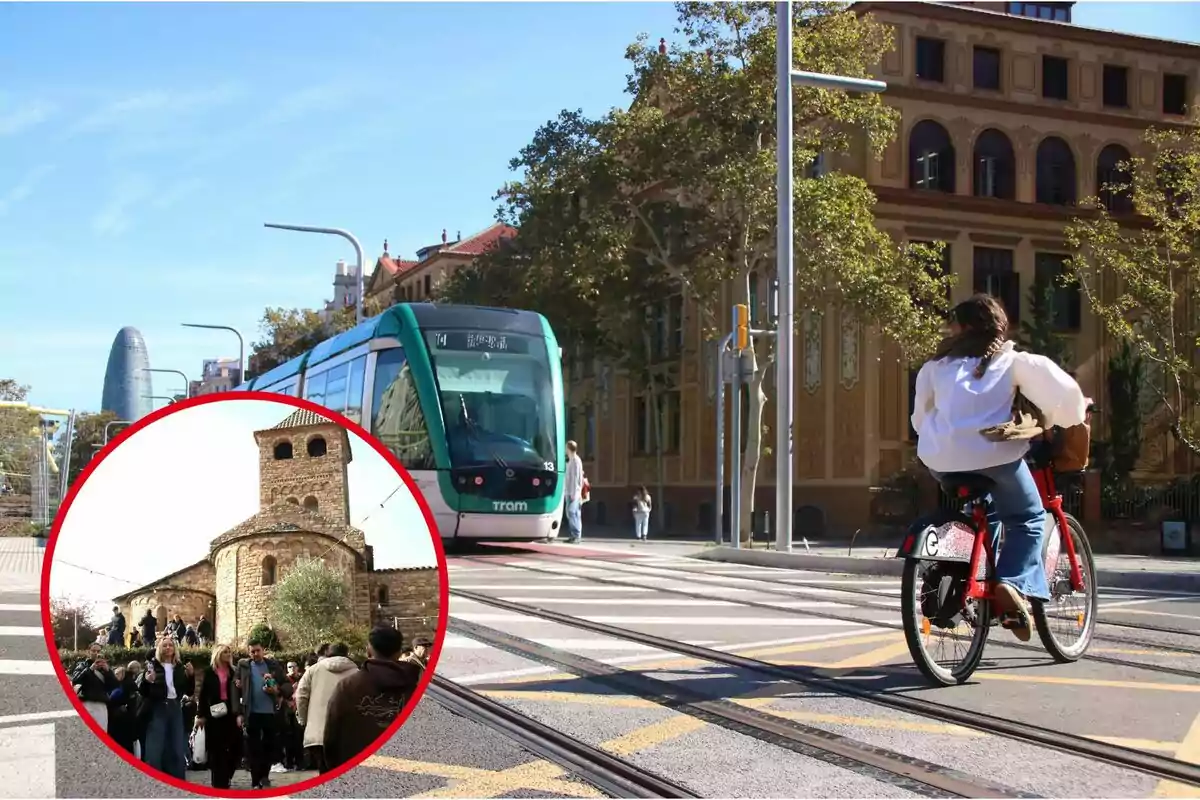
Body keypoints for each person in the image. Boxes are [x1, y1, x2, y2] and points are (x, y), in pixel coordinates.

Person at [911, 294, 1087, 641]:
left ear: (960, 328)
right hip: (998, 459)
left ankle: (975, 574)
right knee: (1028, 518)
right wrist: (1077, 412)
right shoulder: (1015, 362)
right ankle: (1011, 584)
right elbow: (1065, 397)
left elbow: (919, 420)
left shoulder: (935, 367)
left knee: (984, 511)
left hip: (940, 462)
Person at [322, 626, 421, 771]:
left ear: (368, 649)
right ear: (399, 651)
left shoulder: (348, 687)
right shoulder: (417, 687)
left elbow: (332, 734)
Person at [237, 639, 292, 790]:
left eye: (258, 650)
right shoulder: (243, 666)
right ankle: (255, 780)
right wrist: (239, 711)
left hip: (270, 713)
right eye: (252, 651)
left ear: (263, 650)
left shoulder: (273, 666)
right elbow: (235, 687)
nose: (255, 654)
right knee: (254, 748)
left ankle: (265, 776)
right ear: (249, 652)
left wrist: (277, 691)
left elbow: (287, 685)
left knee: (269, 746)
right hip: (252, 713)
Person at [295, 642, 357, 774]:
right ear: (347, 654)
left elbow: (301, 696)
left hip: (318, 732)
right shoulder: (356, 672)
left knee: (324, 772)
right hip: (347, 733)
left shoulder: (313, 670)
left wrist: (304, 720)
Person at [138, 637, 194, 779]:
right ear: (159, 649)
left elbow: (189, 692)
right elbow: (143, 692)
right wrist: (147, 681)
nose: (168, 648)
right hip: (158, 707)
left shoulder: (180, 667)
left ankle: (176, 780)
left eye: (170, 645)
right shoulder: (152, 666)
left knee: (176, 746)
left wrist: (191, 676)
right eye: (165, 646)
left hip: (175, 707)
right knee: (155, 747)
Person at [196, 644, 242, 790]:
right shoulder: (210, 672)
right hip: (214, 713)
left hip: (230, 711)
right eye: (224, 652)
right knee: (217, 750)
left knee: (236, 746)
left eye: (229, 652)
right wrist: (200, 715)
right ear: (217, 654)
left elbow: (240, 692)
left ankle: (227, 774)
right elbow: (203, 695)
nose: (228, 654)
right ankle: (219, 783)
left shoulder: (234, 671)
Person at [73, 648, 118, 731]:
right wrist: (90, 669)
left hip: (101, 705)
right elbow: (76, 680)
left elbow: (114, 686)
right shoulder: (82, 665)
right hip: (86, 703)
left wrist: (108, 672)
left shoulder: (105, 668)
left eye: (98, 651)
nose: (96, 653)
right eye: (94, 651)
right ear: (89, 652)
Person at [564, 440, 584, 544]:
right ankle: (574, 535)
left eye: (566, 447)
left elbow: (576, 478)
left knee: (572, 512)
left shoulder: (576, 460)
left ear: (569, 448)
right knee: (572, 513)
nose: (564, 449)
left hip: (573, 492)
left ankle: (576, 535)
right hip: (568, 491)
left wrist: (574, 493)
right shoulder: (570, 460)